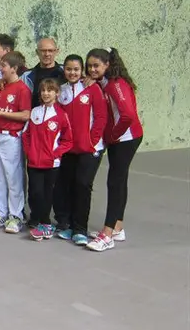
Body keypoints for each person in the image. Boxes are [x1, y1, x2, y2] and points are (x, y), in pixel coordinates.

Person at [84, 48, 143, 252]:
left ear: (107, 65)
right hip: (120, 138)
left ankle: (107, 234)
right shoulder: (104, 81)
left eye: (96, 66)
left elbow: (127, 115)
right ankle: (118, 227)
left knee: (115, 182)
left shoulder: (116, 84)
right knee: (119, 180)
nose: (92, 69)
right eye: (89, 65)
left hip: (126, 138)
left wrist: (113, 136)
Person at [54, 54, 107, 245]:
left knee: (83, 185)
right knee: (66, 185)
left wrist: (91, 142)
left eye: (76, 69)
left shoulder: (93, 89)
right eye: (68, 69)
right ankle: (67, 225)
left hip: (90, 149)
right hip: (68, 148)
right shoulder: (61, 91)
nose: (72, 72)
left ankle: (80, 229)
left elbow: (101, 118)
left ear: (81, 70)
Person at [0, 52, 31, 233]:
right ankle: (0, 212)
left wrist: (1, 114)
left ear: (14, 68)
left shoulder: (22, 89)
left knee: (13, 178)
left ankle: (16, 216)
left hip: (11, 138)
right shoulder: (0, 87)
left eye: (3, 65)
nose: (0, 69)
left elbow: (26, 114)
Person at [23, 78, 72, 240]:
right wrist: (29, 151)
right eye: (43, 90)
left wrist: (55, 153)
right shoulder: (35, 112)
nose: (46, 93)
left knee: (47, 194)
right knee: (36, 192)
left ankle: (46, 225)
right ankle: (39, 220)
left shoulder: (61, 115)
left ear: (57, 93)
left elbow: (68, 140)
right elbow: (26, 134)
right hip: (33, 162)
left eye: (50, 90)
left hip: (51, 163)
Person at [20, 37, 64, 107]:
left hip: (61, 116)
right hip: (36, 116)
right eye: (43, 51)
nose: (47, 54)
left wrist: (88, 77)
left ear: (56, 51)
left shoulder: (66, 71)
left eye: (50, 51)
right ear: (37, 52)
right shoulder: (26, 76)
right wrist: (3, 80)